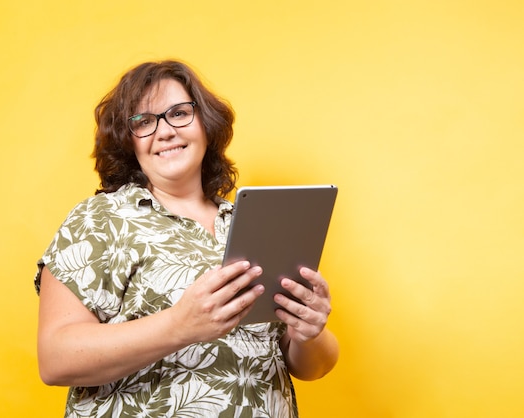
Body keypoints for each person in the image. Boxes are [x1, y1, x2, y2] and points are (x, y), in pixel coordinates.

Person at [35, 59, 339, 417]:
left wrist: (310, 332)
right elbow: (55, 358)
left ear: (205, 124)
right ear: (127, 140)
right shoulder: (100, 219)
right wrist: (179, 325)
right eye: (144, 122)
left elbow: (309, 366)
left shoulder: (252, 223)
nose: (165, 131)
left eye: (179, 113)